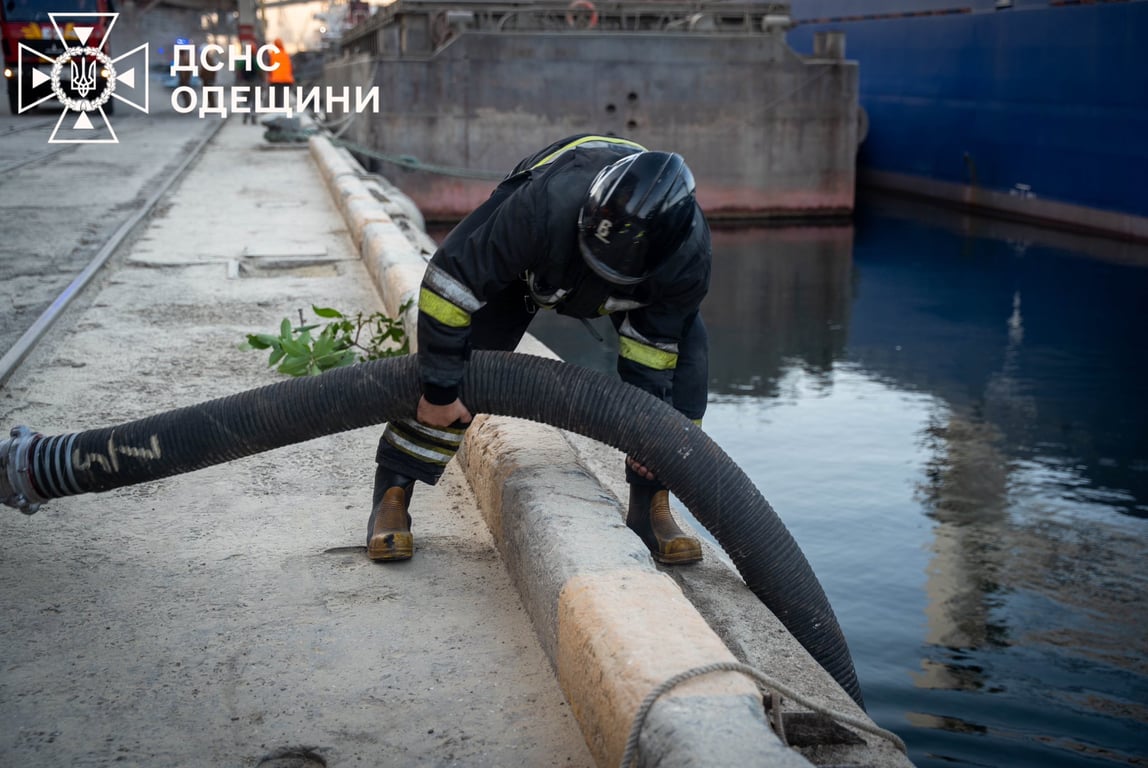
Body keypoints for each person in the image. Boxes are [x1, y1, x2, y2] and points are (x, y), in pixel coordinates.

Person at [369, 134, 712, 567]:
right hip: (538, 261)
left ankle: (651, 508)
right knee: (462, 360)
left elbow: (654, 352)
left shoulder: (684, 258)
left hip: (637, 285)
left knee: (684, 377)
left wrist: (653, 436)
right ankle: (394, 492)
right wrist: (439, 391)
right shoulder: (541, 204)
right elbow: (450, 285)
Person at [266, 38, 294, 110]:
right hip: (287, 80)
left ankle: (277, 113)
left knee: (276, 98)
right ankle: (282, 111)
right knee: (284, 98)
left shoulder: (272, 55)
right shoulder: (286, 55)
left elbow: (269, 68)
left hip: (275, 80)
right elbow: (291, 67)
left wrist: (268, 78)